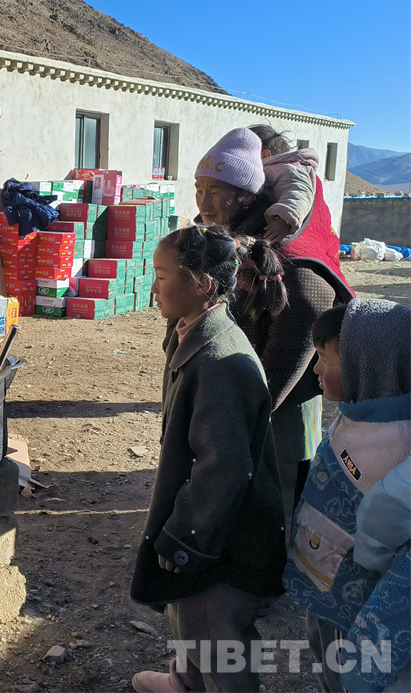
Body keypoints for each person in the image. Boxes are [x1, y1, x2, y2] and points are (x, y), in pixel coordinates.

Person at [131, 225, 287, 693]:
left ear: (201, 284)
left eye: (162, 276)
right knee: (189, 619)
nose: (153, 287)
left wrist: (186, 537)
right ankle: (186, 682)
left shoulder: (221, 362)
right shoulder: (194, 335)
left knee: (216, 635)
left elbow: (222, 467)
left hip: (223, 536)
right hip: (214, 526)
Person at [193, 127, 353, 525]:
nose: (204, 202)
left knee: (280, 495)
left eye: (215, 191)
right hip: (243, 392)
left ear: (246, 195)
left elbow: (295, 338)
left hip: (281, 394)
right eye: (199, 188)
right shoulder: (229, 239)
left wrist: (252, 408)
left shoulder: (289, 257)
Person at [283, 300, 410, 693]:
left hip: (354, 606)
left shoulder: (396, 446)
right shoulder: (360, 411)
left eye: (325, 359)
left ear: (367, 368)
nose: (315, 369)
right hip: (325, 580)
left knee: (340, 673)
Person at [248, 125, 319, 245]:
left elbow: (299, 193)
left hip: (279, 230)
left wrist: (284, 221)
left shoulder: (286, 170)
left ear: (265, 155)